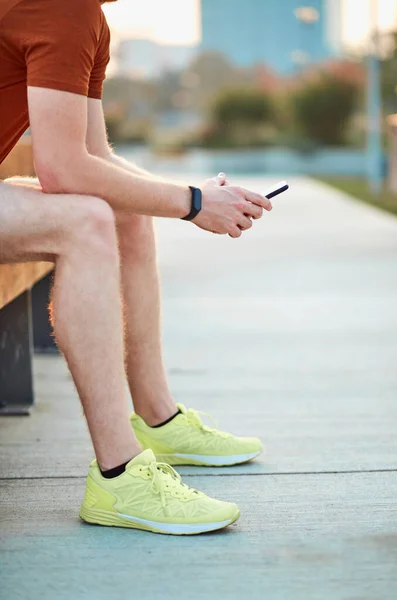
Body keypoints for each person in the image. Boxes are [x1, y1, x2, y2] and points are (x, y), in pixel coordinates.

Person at [0, 0, 272, 535]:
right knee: (86, 222)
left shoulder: (87, 18)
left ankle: (158, 418)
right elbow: (61, 169)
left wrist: (190, 194)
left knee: (124, 214)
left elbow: (92, 156)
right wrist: (192, 203)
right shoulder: (64, 7)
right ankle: (120, 475)